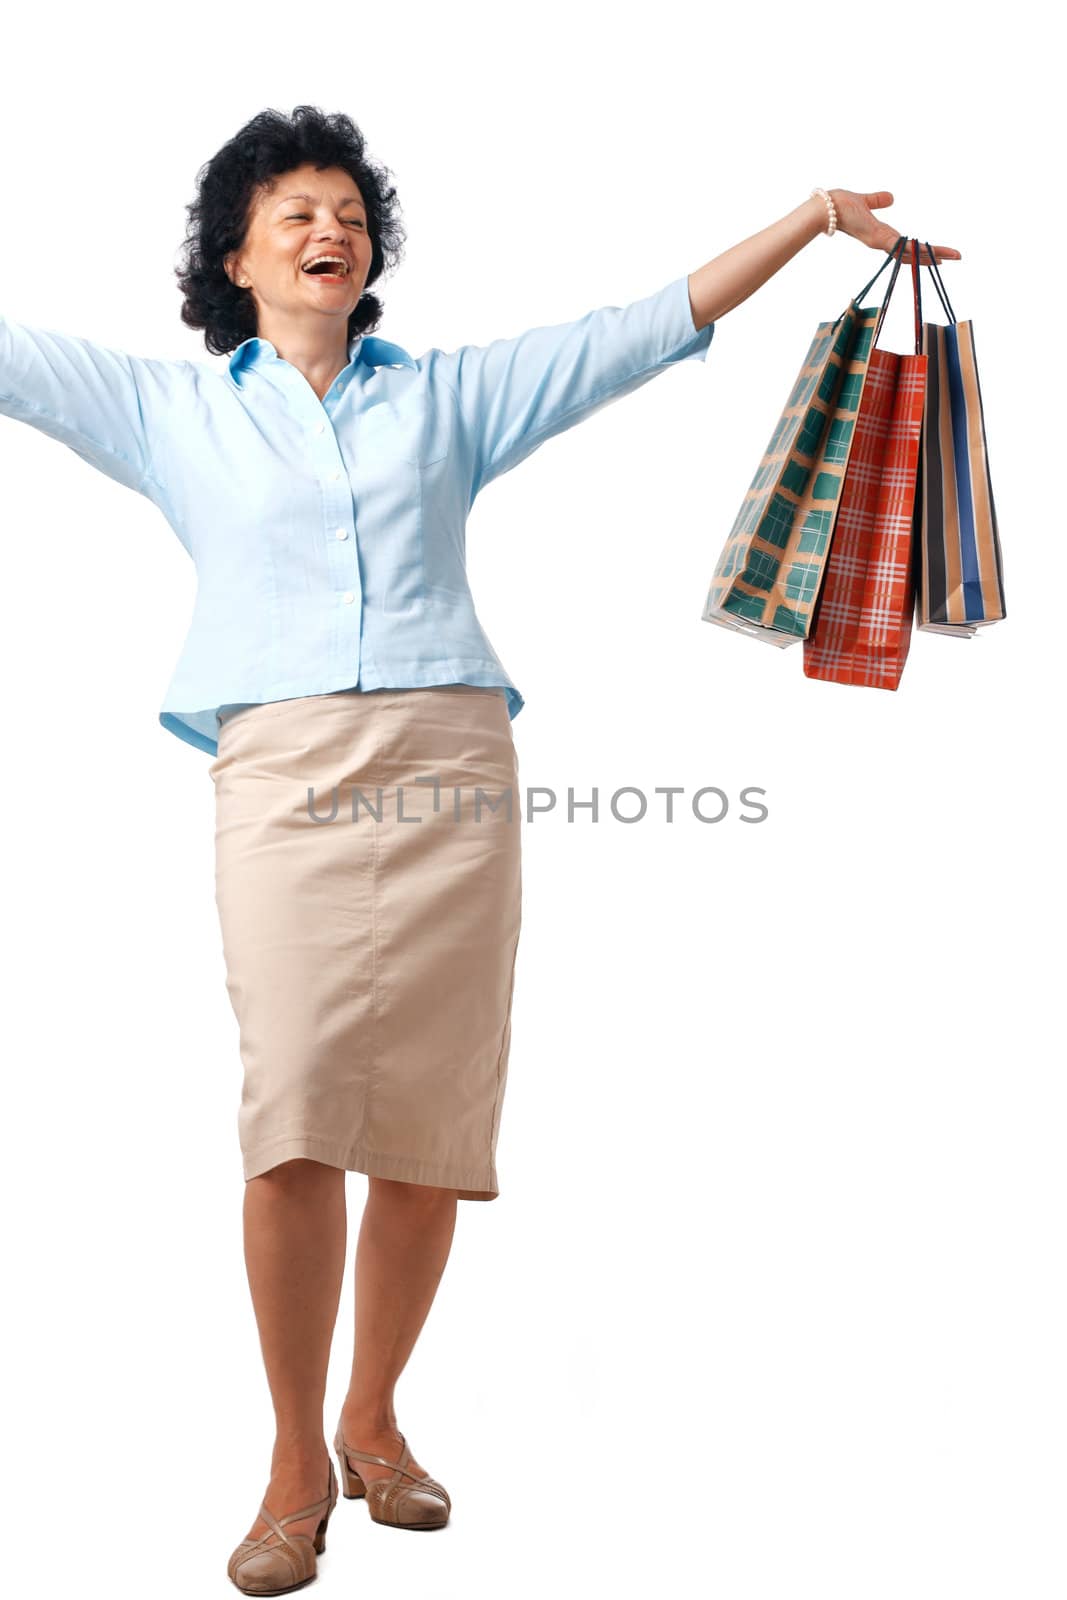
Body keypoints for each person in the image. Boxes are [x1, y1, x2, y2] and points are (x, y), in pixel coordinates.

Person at [0, 103, 960, 1594]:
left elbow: (636, 332)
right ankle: (289, 1458)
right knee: (298, 1109)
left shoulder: (444, 399)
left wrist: (814, 216)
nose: (333, 234)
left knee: (432, 1120)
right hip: (283, 771)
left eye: (351, 216)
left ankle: (377, 1418)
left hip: (450, 766)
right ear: (235, 255)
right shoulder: (164, 410)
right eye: (298, 214)